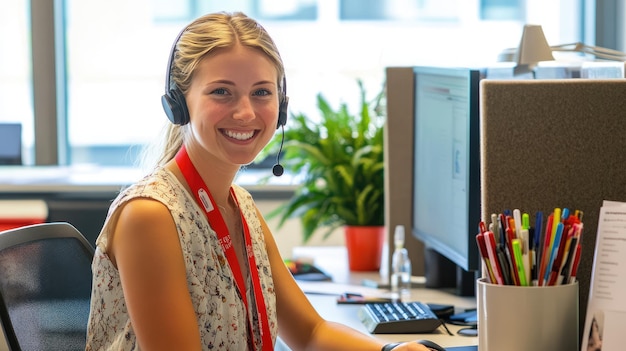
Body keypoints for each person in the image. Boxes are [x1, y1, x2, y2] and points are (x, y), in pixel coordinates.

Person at [85, 11, 431, 351]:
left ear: (281, 107)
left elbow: (311, 333)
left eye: (262, 92)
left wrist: (393, 350)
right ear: (178, 104)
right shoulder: (151, 216)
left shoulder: (241, 207)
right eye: (222, 92)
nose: (246, 112)